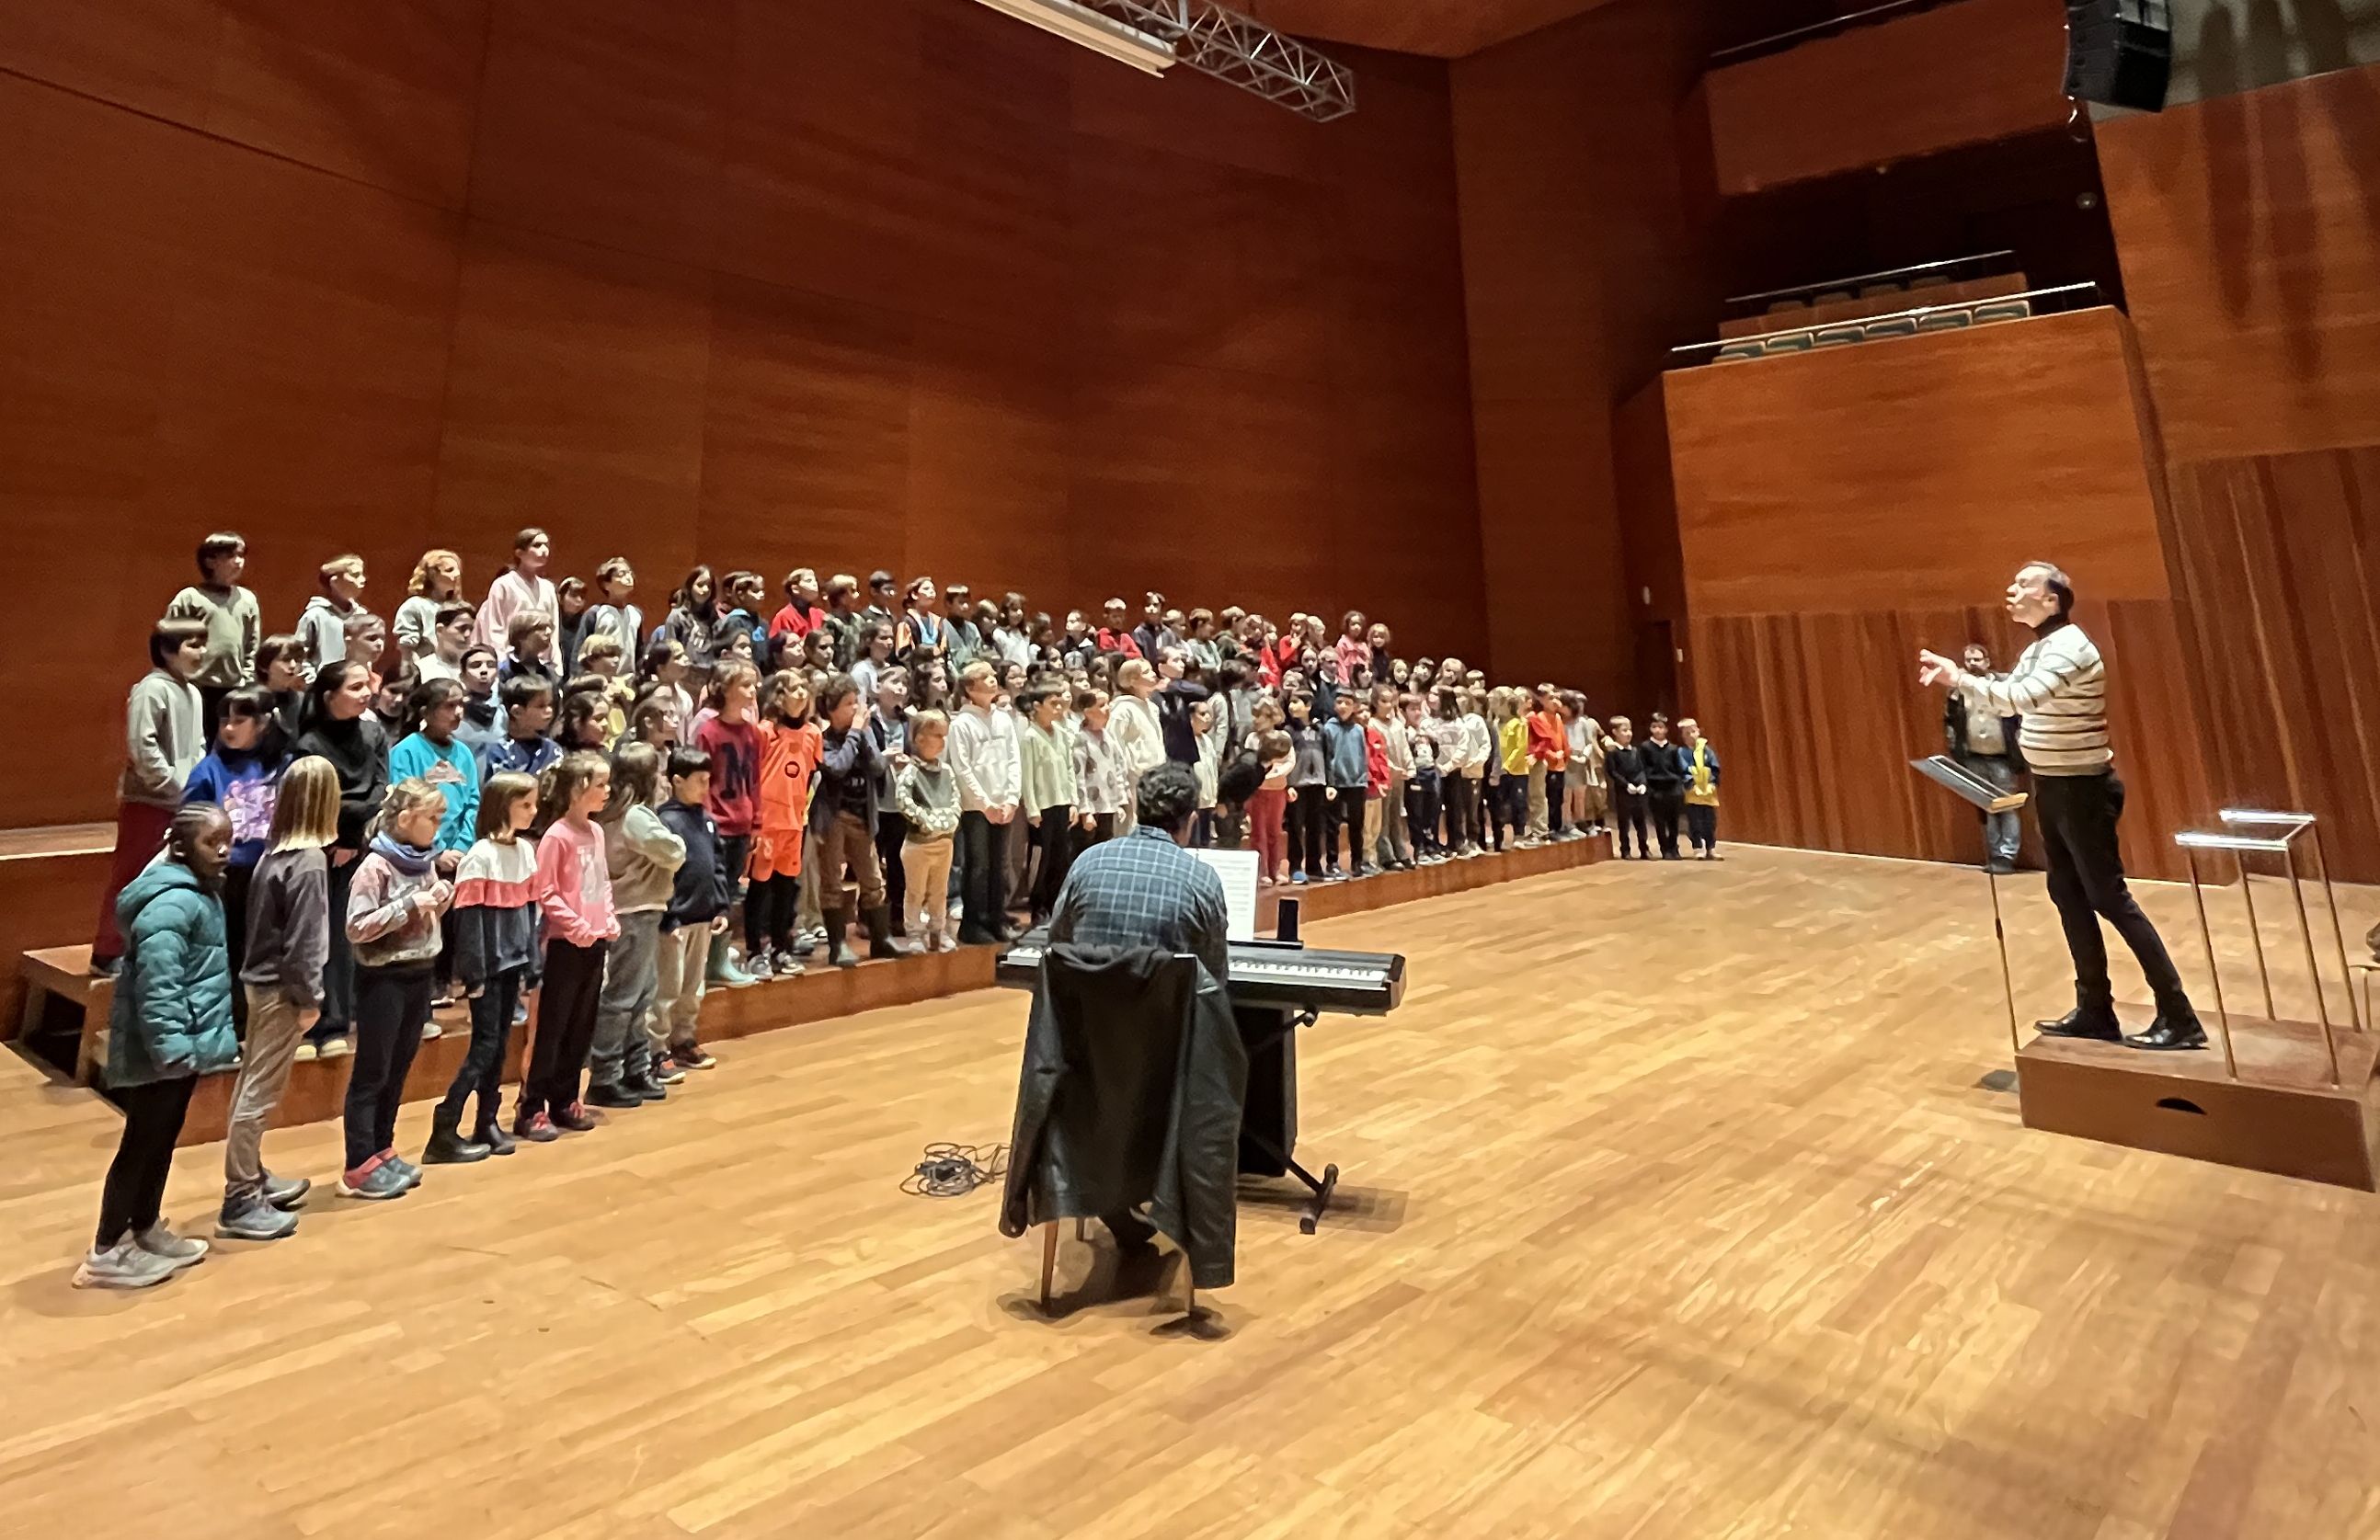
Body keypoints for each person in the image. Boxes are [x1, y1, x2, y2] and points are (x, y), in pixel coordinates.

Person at [1919, 561, 2204, 1051]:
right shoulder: (2040, 647)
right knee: (2068, 895)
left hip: (2082, 789)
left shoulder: (2069, 647)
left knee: (2109, 898)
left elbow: (2019, 700)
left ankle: (2179, 1016)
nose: (2011, 590)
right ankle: (2096, 1010)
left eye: (2024, 584)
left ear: (2052, 600)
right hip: (2054, 786)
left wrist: (1958, 678)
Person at [1041, 761, 1230, 1256]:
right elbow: (1214, 980)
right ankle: (1177, 1193)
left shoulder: (1087, 863)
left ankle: (1108, 1191)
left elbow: (1058, 946)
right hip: (1161, 1065)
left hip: (1084, 1058)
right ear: (1188, 819)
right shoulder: (1201, 879)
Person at [72, 804, 241, 1289]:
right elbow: (158, 987)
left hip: (181, 1049)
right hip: (160, 1052)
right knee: (140, 1144)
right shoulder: (170, 904)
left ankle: (143, 1227)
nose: (225, 850)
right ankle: (106, 1250)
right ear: (182, 847)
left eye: (228, 839)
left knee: (162, 1140)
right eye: (214, 842)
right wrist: (171, 1048)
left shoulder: (199, 892)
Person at [215, 757, 337, 1240]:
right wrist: (310, 999)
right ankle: (240, 1196)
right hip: (281, 992)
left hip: (261, 985)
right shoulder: (308, 863)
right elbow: (303, 945)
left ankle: (252, 1176)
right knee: (258, 1094)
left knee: (252, 1086)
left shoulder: (274, 853)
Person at [338, 780, 453, 1201]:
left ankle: (382, 1149)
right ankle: (358, 1164)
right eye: (432, 819)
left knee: (399, 1067)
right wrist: (410, 905)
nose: (438, 828)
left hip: (418, 972)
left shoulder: (423, 860)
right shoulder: (375, 867)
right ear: (405, 820)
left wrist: (440, 899)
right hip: (382, 978)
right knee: (373, 1071)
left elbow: (426, 913)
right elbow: (356, 927)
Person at [431, 770, 541, 1159]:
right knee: (485, 1045)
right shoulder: (479, 857)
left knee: (497, 1049)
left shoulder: (525, 852)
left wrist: (533, 962)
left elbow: (529, 913)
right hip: (488, 970)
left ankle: (486, 1121)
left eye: (533, 803)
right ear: (501, 806)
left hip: (513, 964)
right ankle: (445, 1122)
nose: (533, 811)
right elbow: (469, 925)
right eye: (524, 804)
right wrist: (473, 974)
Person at [92, 620, 211, 976]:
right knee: (131, 874)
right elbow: (143, 746)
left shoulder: (192, 692)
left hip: (181, 802)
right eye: (193, 645)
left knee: (163, 876)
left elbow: (199, 746)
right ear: (166, 650)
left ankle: (141, 946)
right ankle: (106, 950)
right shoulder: (151, 689)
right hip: (150, 802)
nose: (201, 653)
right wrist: (172, 784)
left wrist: (197, 786)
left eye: (203, 645)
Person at [292, 660, 389, 1059]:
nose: (365, 693)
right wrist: (342, 831)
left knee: (349, 935)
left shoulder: (373, 732)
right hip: (320, 849)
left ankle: (340, 1020)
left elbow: (380, 791)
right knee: (319, 937)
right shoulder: (310, 743)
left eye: (367, 685)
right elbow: (315, 798)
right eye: (355, 687)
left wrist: (353, 829)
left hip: (360, 847)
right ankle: (312, 1022)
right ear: (330, 696)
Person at [180, 683, 288, 1029]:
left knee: (268, 949)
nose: (228, 728)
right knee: (229, 949)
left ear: (263, 723)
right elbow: (190, 823)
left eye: (239, 720)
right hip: (228, 876)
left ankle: (261, 1020)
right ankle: (228, 1023)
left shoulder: (284, 765)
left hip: (271, 871)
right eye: (224, 720)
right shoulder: (207, 771)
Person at [523, 751, 620, 1135]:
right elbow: (545, 892)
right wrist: (576, 924)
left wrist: (608, 917)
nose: (607, 791)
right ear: (578, 789)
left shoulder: (595, 832)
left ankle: (565, 1099)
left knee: (582, 1025)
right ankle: (532, 1107)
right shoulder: (556, 836)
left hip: (594, 942)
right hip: (564, 945)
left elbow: (601, 883)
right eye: (600, 785)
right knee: (553, 1027)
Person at [589, 742, 686, 1109]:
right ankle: (606, 1075)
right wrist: (679, 842)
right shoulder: (636, 816)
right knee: (624, 997)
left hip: (632, 910)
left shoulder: (616, 812)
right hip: (635, 911)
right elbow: (674, 852)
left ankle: (634, 1068)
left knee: (641, 994)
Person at [656, 749, 732, 1076]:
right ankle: (655, 1049)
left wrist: (720, 905)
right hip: (675, 922)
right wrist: (668, 915)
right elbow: (660, 876)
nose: (706, 787)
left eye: (708, 780)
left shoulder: (707, 821)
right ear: (676, 781)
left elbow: (717, 867)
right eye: (699, 781)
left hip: (702, 917)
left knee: (692, 988)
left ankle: (683, 1040)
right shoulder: (665, 822)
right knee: (667, 989)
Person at [808, 672, 893, 965]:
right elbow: (837, 767)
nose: (855, 709)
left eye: (856, 702)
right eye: (848, 704)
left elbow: (879, 766)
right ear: (831, 710)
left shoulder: (863, 733)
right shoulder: (824, 739)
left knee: (873, 879)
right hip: (834, 818)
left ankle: (882, 940)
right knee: (832, 882)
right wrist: (856, 733)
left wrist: (864, 735)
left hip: (862, 816)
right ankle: (838, 946)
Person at [693, 661, 762, 986]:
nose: (753, 692)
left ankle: (719, 959)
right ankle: (708, 960)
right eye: (746, 685)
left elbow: (755, 780)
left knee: (733, 891)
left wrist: (757, 820)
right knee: (717, 893)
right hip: (717, 825)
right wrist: (707, 820)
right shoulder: (708, 732)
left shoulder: (752, 732)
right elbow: (702, 783)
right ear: (725, 689)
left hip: (743, 823)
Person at [745, 670, 818, 979]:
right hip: (766, 825)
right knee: (760, 889)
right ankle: (754, 952)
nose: (800, 693)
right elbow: (751, 776)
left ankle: (780, 947)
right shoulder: (763, 732)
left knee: (787, 889)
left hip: (794, 825)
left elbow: (811, 777)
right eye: (792, 689)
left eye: (804, 687)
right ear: (778, 696)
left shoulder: (813, 733)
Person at [951, 660, 1023, 945]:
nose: (993, 680)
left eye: (993, 676)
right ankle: (973, 923)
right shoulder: (961, 724)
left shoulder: (1004, 719)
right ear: (970, 688)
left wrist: (1011, 798)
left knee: (1000, 864)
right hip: (977, 808)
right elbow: (962, 768)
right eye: (985, 678)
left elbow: (1013, 760)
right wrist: (985, 803)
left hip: (1003, 804)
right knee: (978, 865)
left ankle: (997, 917)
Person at [164, 531, 261, 732]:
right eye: (230, 556)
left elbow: (252, 642)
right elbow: (169, 639)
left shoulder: (247, 599)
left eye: (241, 556)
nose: (238, 562)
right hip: (196, 685)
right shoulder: (189, 598)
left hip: (233, 687)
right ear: (210, 562)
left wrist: (247, 677)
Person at [1944, 642, 2024, 874]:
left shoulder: (2002, 686)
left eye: (1977, 660)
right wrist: (1955, 748)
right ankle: (1994, 854)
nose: (1972, 664)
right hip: (1974, 757)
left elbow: (2018, 719)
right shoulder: (1956, 691)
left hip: (2002, 758)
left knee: (2008, 807)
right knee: (1986, 807)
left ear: (1987, 662)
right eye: (1968, 660)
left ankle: (2007, 856)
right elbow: (1950, 721)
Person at [895, 710, 961, 953]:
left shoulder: (946, 772)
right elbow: (903, 801)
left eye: (945, 736)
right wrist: (925, 821)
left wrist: (951, 819)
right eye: (937, 735)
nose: (942, 742)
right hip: (919, 844)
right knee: (915, 891)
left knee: (939, 890)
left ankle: (938, 930)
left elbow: (955, 798)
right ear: (920, 738)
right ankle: (913, 932)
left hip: (945, 842)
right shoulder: (911, 772)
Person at [1018, 682, 1080, 924]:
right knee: (1040, 859)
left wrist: (1073, 801)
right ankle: (1037, 904)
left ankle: (1056, 904)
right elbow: (1027, 776)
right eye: (1052, 704)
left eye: (1059, 703)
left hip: (1062, 803)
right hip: (1042, 807)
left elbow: (1068, 769)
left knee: (1060, 858)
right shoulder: (1030, 737)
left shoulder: (1062, 734)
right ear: (1037, 706)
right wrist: (1032, 808)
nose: (1058, 708)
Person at [473, 528, 557, 667]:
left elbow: (553, 630)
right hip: (511, 661)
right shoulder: (503, 584)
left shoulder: (548, 587)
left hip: (542, 663)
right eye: (537, 545)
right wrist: (502, 662)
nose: (544, 550)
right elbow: (495, 627)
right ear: (520, 553)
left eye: (546, 545)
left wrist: (555, 664)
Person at [1319, 689, 1370, 880]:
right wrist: (1329, 783)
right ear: (1334, 705)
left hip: (1357, 783)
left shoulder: (1358, 730)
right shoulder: (1328, 728)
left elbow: (1362, 756)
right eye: (1339, 702)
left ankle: (1358, 861)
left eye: (1347, 703)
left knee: (1357, 825)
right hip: (1336, 784)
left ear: (1355, 707)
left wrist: (1363, 778)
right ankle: (1332, 863)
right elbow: (1326, 757)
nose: (1343, 707)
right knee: (1333, 825)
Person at [297, 555, 368, 679]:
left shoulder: (362, 615)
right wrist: (313, 681)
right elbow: (300, 654)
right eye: (355, 575)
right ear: (334, 581)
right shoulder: (315, 616)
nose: (363, 580)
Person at [395, 549, 463, 666]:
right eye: (449, 570)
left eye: (458, 570)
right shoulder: (415, 605)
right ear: (432, 575)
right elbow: (406, 650)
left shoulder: (459, 608)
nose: (457, 574)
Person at [1603, 715, 1650, 861]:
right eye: (1624, 730)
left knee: (1641, 821)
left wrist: (1642, 783)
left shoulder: (1635, 751)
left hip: (1638, 790)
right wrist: (1626, 785)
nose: (1628, 733)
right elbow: (1613, 772)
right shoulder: (1613, 752)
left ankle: (1644, 848)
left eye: (1629, 730)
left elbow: (1641, 769)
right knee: (1624, 822)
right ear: (1615, 732)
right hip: (1623, 792)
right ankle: (1625, 849)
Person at [1641, 713, 1687, 860]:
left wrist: (1679, 783)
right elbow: (1644, 767)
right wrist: (1648, 785)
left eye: (1661, 727)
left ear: (1666, 730)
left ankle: (1674, 847)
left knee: (1673, 821)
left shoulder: (1673, 749)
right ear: (1650, 729)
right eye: (1654, 727)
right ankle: (1665, 849)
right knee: (1659, 821)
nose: (1658, 730)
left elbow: (1678, 768)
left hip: (1673, 788)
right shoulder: (1646, 747)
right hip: (1656, 788)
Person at [1678, 717, 1722, 859]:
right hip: (1693, 791)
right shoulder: (1681, 752)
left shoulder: (1707, 750)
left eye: (1694, 731)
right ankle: (1698, 847)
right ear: (1683, 736)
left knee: (1710, 821)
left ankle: (1711, 847)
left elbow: (1714, 767)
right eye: (1687, 733)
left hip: (1707, 791)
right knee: (1695, 821)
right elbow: (1684, 769)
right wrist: (1693, 780)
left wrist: (1710, 781)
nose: (1692, 735)